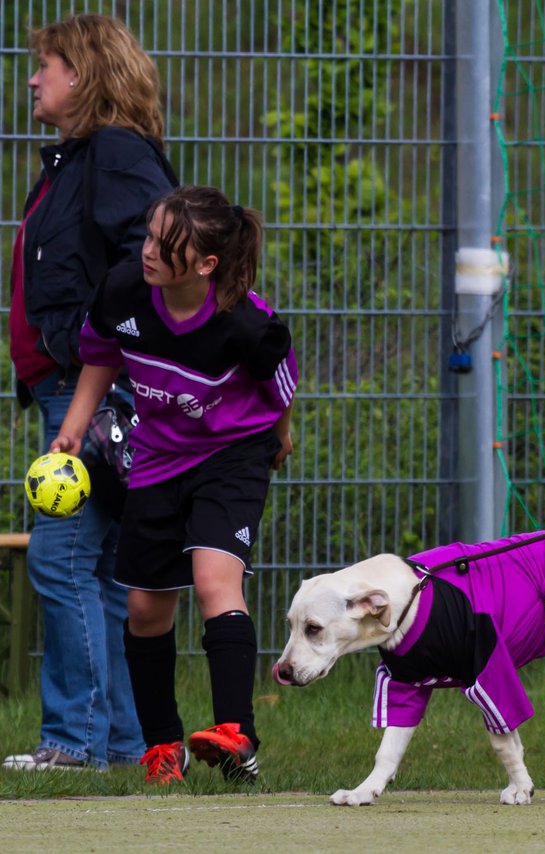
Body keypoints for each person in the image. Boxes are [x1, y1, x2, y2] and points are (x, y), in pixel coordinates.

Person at [50, 185, 297, 784]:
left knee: (216, 580)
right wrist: (73, 429)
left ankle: (237, 735)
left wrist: (282, 437)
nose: (149, 250)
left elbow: (280, 386)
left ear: (207, 265)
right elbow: (102, 355)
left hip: (232, 456)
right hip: (157, 457)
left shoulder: (246, 320)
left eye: (166, 242)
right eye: (151, 234)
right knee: (144, 606)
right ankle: (164, 747)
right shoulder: (124, 291)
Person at [4, 13, 175, 773]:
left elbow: (157, 240)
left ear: (84, 74)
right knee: (101, 568)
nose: (34, 78)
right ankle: (119, 745)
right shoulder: (78, 158)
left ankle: (72, 744)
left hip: (95, 388)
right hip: (72, 384)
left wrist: (93, 332)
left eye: (46, 65)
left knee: (62, 559)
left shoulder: (112, 151)